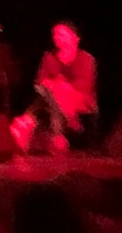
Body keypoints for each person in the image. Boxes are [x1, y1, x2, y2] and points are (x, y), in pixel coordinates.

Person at [11, 21, 97, 154]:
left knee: (55, 92)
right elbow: (39, 82)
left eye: (62, 34)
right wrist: (56, 86)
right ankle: (59, 135)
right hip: (53, 99)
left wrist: (60, 85)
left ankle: (27, 121)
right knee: (52, 93)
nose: (57, 38)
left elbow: (84, 85)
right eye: (55, 35)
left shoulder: (86, 58)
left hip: (80, 100)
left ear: (75, 38)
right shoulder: (49, 57)